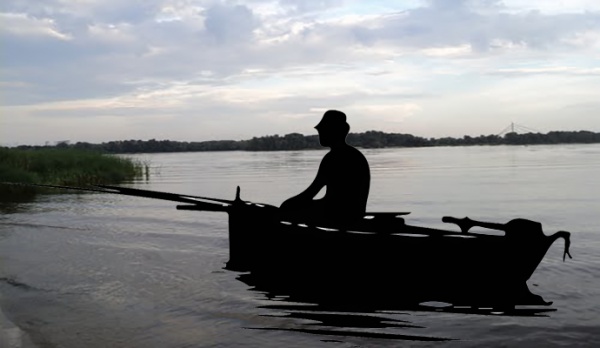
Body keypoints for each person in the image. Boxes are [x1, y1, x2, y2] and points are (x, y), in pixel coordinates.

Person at [280, 110, 370, 223]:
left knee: (288, 207)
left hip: (337, 213)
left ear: (333, 131)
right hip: (354, 212)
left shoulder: (334, 158)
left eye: (322, 130)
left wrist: (287, 205)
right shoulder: (355, 155)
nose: (320, 134)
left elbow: (310, 193)